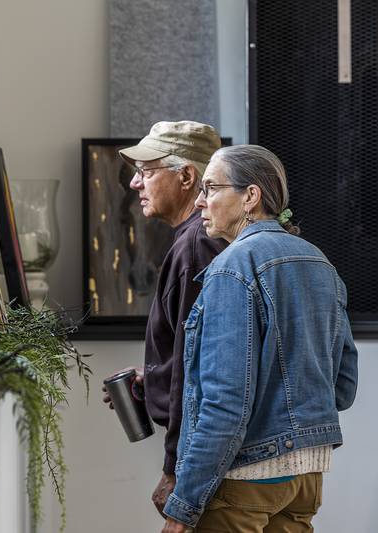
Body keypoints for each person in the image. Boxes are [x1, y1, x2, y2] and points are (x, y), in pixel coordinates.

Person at [161, 145, 358, 533]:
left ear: (251, 196)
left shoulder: (233, 267)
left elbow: (224, 402)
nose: (200, 201)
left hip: (243, 478)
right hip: (305, 478)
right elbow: (343, 387)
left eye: (212, 188)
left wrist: (183, 504)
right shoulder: (319, 262)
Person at [102, 120, 227, 516]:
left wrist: (176, 472)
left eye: (146, 172)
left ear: (187, 176)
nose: (136, 184)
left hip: (211, 463)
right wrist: (153, 376)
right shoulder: (199, 239)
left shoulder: (196, 245)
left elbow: (205, 369)